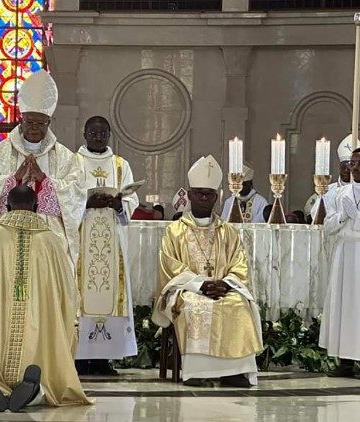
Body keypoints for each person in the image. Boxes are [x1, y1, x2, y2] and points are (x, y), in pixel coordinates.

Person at [0, 186, 90, 412]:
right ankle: (35, 390)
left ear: (6, 206)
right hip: (38, 329)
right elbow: (67, 289)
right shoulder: (50, 239)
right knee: (47, 381)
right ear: (36, 207)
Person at [151, 155, 263, 388]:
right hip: (188, 290)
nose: (204, 198)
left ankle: (235, 372)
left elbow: (239, 264)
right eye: (199, 193)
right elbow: (170, 266)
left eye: (209, 194)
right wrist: (199, 284)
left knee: (238, 304)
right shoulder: (175, 231)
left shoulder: (228, 231)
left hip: (223, 288)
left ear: (217, 197)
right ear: (190, 195)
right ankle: (197, 372)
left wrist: (226, 283)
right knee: (195, 305)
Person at [0, 70, 85, 264]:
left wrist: (44, 181)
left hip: (48, 235)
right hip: (7, 230)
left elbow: (77, 194)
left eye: (40, 123)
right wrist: (13, 179)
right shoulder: (1, 152)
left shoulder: (65, 156)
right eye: (29, 122)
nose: (34, 127)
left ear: (49, 123)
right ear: (20, 120)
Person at [74, 116, 138, 375]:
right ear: (85, 133)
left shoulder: (121, 166)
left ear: (109, 135)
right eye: (93, 132)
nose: (98, 137)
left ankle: (104, 359)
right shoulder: (73, 163)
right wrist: (85, 203)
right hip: (82, 238)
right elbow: (65, 198)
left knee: (110, 294)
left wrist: (119, 204)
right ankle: (78, 356)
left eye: (103, 133)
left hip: (112, 242)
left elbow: (132, 200)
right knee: (81, 294)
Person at [319, 147, 360, 377]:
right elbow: (328, 226)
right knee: (344, 306)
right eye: (353, 163)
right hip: (345, 254)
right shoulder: (340, 194)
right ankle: (345, 361)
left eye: (358, 163)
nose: (355, 168)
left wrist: (357, 216)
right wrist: (344, 216)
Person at [311, 135, 355, 221]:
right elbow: (315, 216)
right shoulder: (328, 191)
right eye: (344, 167)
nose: (346, 171)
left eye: (350, 168)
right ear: (339, 166)